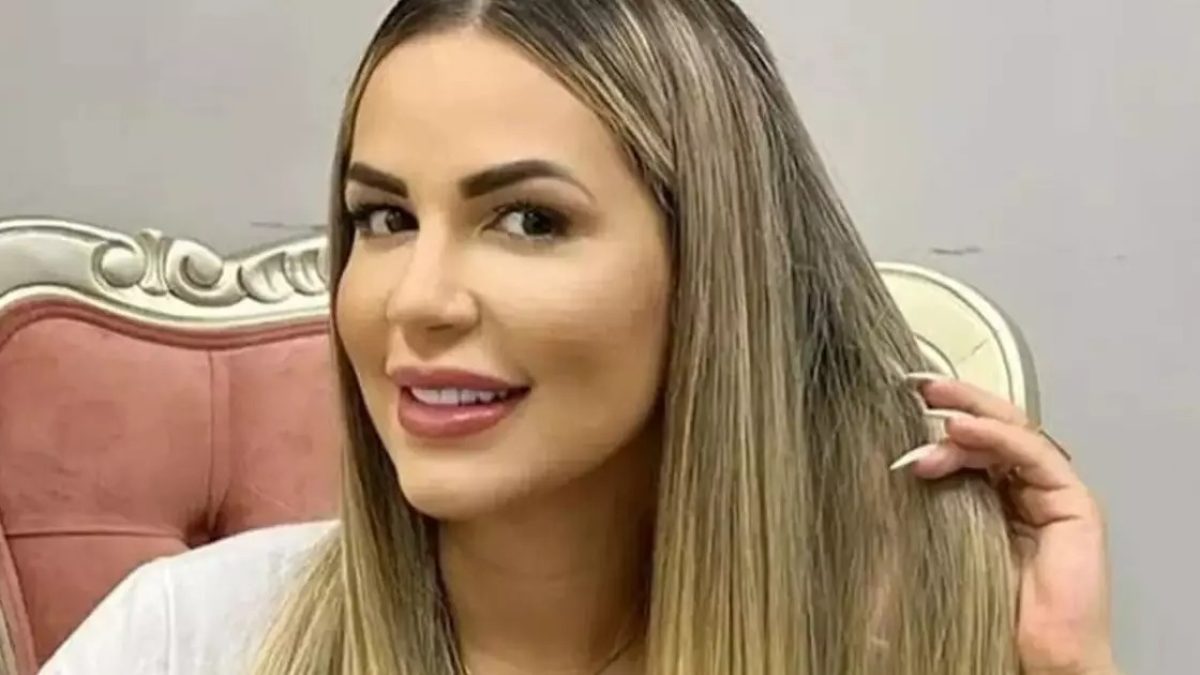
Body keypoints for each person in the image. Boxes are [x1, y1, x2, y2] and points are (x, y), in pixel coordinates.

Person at [40, 1, 1117, 674]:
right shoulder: (186, 642)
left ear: (710, 270)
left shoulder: (903, 644)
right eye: (385, 218)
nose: (417, 300)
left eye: (528, 221)